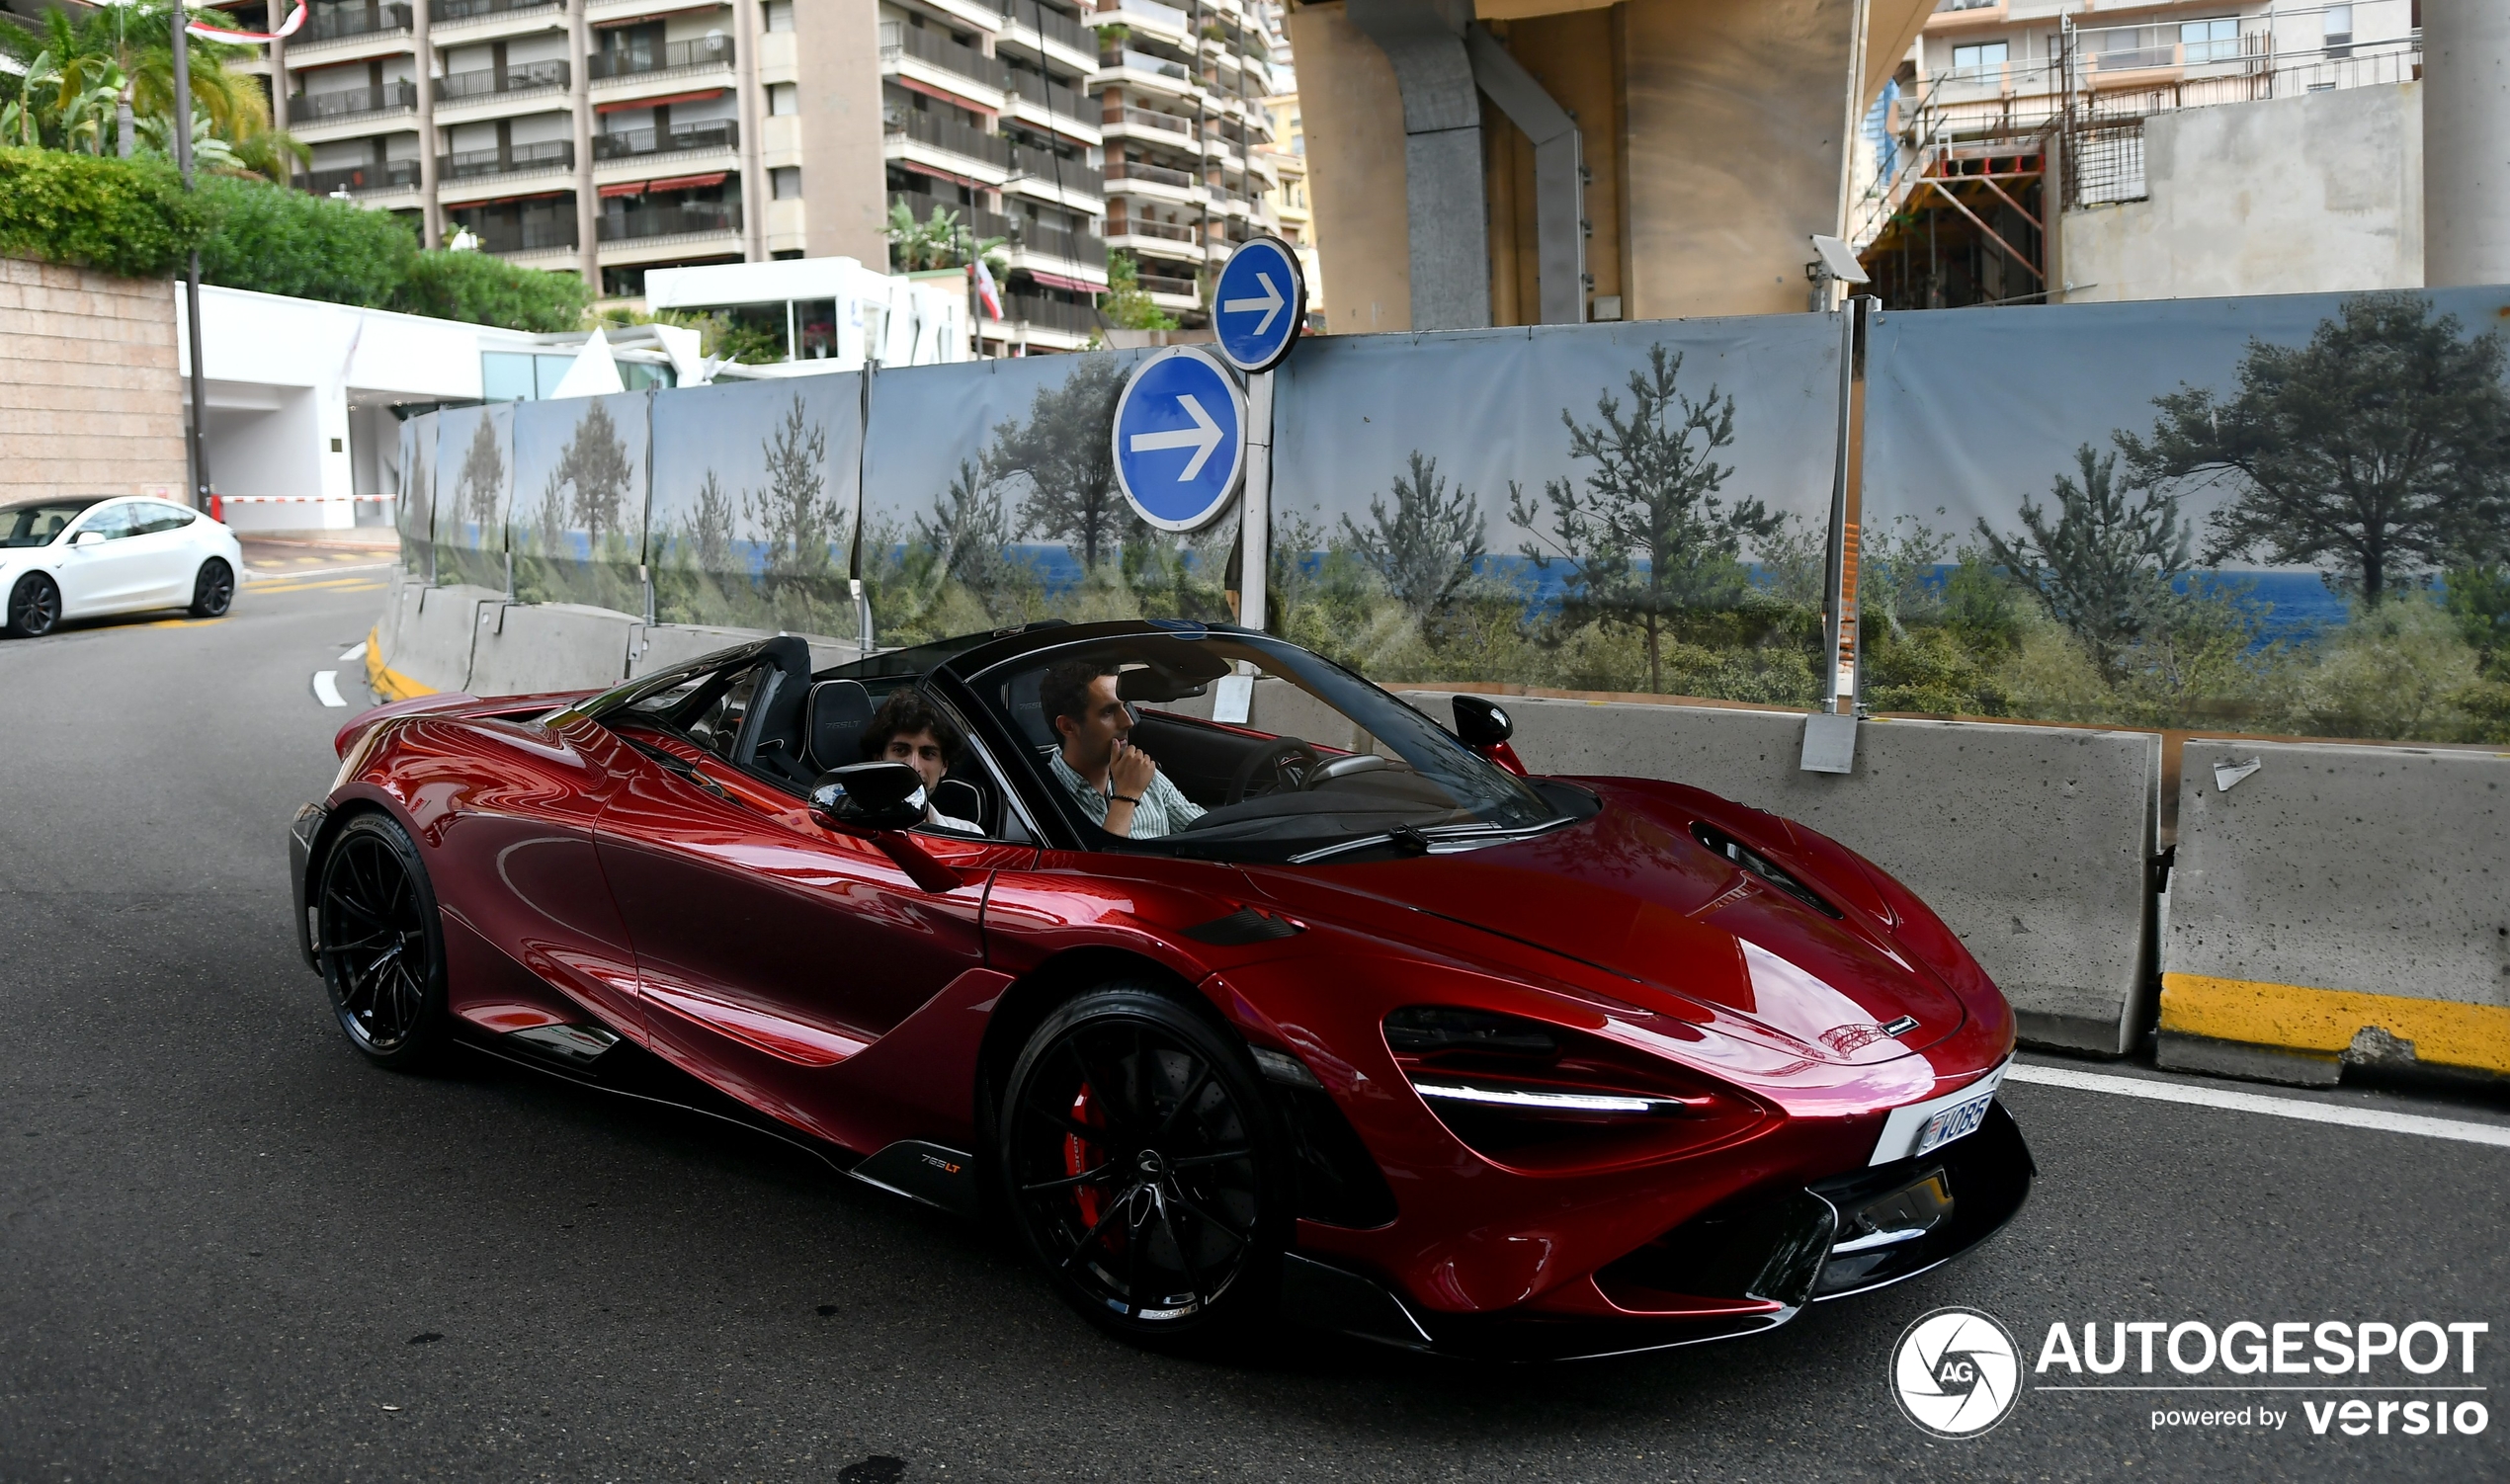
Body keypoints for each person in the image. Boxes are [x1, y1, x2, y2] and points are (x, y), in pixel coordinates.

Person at [1040, 658, 1204, 839]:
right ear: (1068, 727)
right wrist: (1127, 796)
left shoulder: (1140, 772)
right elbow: (1100, 867)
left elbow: (1206, 834)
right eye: (1108, 712)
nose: (1128, 722)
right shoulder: (1041, 794)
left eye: (1124, 706)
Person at [858, 689, 982, 834]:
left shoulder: (969, 835)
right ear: (879, 758)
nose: (913, 766)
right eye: (900, 750)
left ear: (944, 766)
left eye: (928, 754)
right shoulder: (852, 835)